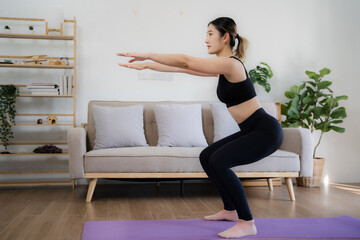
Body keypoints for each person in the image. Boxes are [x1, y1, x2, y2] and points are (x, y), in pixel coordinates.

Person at [117, 17, 283, 239]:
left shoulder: (231, 64)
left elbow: (186, 61)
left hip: (265, 132)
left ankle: (247, 221)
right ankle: (230, 210)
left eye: (210, 34)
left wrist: (147, 54)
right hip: (252, 130)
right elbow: (186, 69)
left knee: (219, 160)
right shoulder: (223, 67)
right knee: (207, 156)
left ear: (225, 37)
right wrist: (148, 65)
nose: (205, 40)